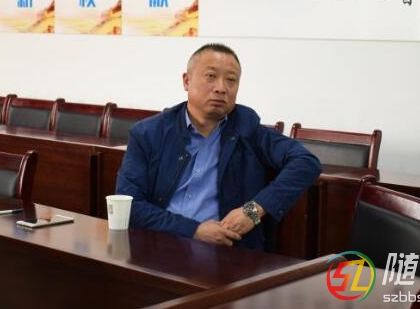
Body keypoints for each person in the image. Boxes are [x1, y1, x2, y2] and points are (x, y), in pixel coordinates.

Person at [115, 43, 321, 250]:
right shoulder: (149, 133)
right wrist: (194, 230)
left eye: (231, 80)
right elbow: (130, 205)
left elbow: (306, 162)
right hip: (161, 245)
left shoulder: (247, 128)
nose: (221, 88)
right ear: (186, 81)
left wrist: (252, 211)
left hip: (228, 251)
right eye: (211, 76)